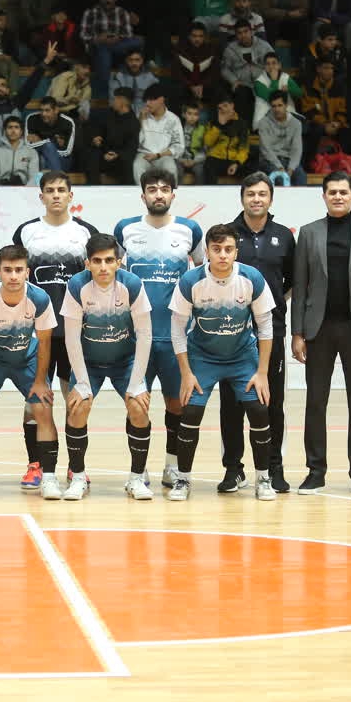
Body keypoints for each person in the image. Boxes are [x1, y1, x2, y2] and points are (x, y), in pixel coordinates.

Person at [291, 172, 351, 496]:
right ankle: (315, 472)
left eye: (343, 192)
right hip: (318, 329)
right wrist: (297, 332)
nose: (337, 197)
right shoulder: (308, 232)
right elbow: (300, 286)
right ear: (323, 196)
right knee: (315, 402)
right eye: (332, 192)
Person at [169, 223, 279, 501]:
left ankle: (264, 478)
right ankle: (182, 479)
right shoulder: (190, 281)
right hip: (202, 357)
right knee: (190, 413)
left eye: (228, 249)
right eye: (216, 249)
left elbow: (266, 326)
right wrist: (186, 373)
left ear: (236, 252)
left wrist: (262, 372)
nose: (222, 255)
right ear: (206, 251)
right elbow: (177, 330)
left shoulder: (251, 278)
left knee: (259, 410)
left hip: (242, 357)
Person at [114, 168, 203, 489]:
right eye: (152, 189)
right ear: (143, 196)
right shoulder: (125, 229)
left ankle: (172, 465)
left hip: (175, 337)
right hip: (135, 338)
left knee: (176, 405)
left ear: (173, 195)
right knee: (136, 403)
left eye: (164, 189)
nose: (159, 194)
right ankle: (138, 471)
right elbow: (112, 274)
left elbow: (201, 275)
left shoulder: (190, 230)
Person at [12, 173, 99, 486]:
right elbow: (15, 280)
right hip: (37, 334)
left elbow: (96, 281)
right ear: (42, 196)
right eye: (50, 190)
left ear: (71, 195)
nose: (56, 195)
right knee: (33, 402)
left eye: (62, 190)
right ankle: (35, 464)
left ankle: (76, 467)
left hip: (74, 333)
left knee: (74, 401)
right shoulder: (27, 232)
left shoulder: (86, 233)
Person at [60, 234, 153, 501]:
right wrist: (82, 383)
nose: (103, 267)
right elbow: (71, 338)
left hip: (125, 361)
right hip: (89, 362)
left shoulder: (132, 284)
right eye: (97, 261)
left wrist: (136, 383)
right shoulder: (77, 285)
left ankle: (136, 479)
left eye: (109, 260)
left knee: (138, 407)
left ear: (118, 262)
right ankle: (78, 477)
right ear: (87, 263)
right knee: (78, 407)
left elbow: (145, 334)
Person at [219, 174, 295, 494]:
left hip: (271, 331)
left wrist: (269, 306)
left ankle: (274, 467)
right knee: (231, 404)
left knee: (271, 403)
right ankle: (233, 469)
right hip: (230, 332)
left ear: (270, 199)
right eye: (251, 194)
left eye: (262, 194)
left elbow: (290, 282)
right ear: (242, 198)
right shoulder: (227, 233)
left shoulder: (284, 236)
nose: (256, 199)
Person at [0, 245, 59, 500]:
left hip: (27, 360)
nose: (13, 276)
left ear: (27, 272)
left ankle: (49, 478)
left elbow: (45, 342)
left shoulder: (39, 299)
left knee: (42, 408)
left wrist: (40, 382)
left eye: (19, 270)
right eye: (8, 270)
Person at [81, 0, 142, 87]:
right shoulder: (90, 12)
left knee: (138, 41)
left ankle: (108, 49)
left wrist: (118, 38)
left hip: (118, 45)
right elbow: (83, 35)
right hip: (97, 46)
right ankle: (104, 85)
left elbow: (128, 33)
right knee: (103, 49)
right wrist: (97, 39)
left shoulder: (122, 12)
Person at [134, 84, 184, 183]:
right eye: (146, 101)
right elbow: (135, 142)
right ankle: (142, 193)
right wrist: (140, 121)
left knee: (170, 167)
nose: (147, 104)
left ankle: (171, 193)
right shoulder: (141, 116)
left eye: (151, 100)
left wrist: (158, 155)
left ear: (161, 99)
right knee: (137, 165)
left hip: (163, 156)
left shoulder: (173, 119)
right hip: (144, 155)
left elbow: (179, 146)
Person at [256, 91, 305, 186]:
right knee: (279, 178)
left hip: (289, 161)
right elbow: (266, 150)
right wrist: (280, 168)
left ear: (286, 105)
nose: (277, 109)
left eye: (280, 105)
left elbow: (297, 149)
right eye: (274, 106)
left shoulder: (296, 123)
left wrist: (291, 169)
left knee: (301, 176)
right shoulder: (263, 123)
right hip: (269, 161)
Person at [202, 94, 250, 182]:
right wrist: (219, 125)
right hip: (216, 158)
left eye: (225, 106)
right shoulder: (213, 121)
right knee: (208, 165)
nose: (223, 109)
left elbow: (244, 149)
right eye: (220, 108)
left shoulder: (241, 124)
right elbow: (208, 143)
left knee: (249, 166)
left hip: (234, 159)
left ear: (232, 105)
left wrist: (237, 163)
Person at [0, 117, 41, 186]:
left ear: (21, 131)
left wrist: (25, 190)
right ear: (5, 131)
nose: (13, 131)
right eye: (10, 127)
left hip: (24, 188)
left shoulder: (31, 152)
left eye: (16, 127)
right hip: (1, 188)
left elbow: (34, 177)